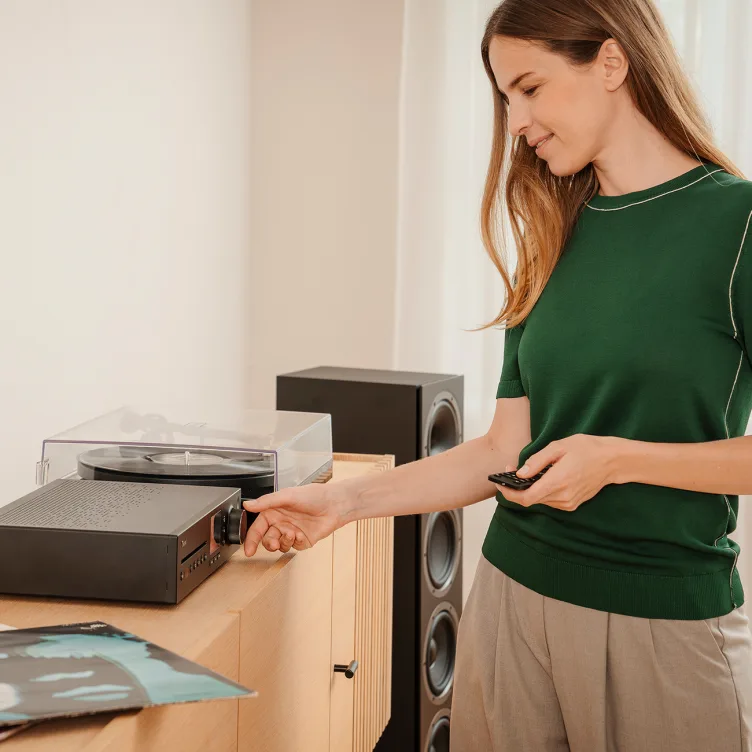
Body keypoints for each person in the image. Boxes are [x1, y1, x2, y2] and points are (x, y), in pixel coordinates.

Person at [243, 0, 752, 749]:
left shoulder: (737, 225)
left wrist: (616, 459)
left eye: (531, 87)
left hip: (664, 626)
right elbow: (499, 452)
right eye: (504, 98)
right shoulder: (550, 234)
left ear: (612, 63)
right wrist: (341, 504)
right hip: (510, 603)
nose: (515, 122)